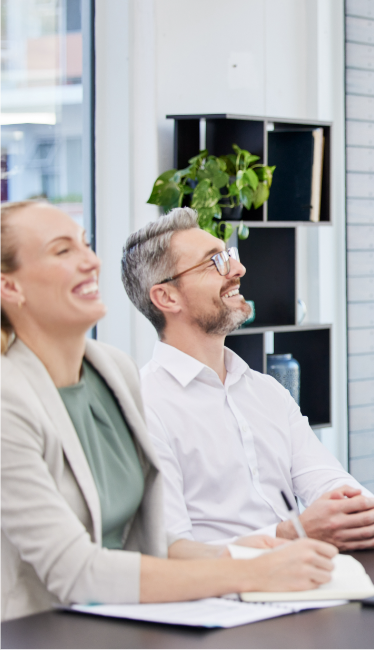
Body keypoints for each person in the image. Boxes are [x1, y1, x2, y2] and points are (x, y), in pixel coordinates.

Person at [0, 201, 337, 622]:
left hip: (128, 616)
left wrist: (258, 549)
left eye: (86, 245)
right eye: (63, 251)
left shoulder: (111, 371)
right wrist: (247, 571)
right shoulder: (8, 400)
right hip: (40, 629)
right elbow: (74, 571)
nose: (90, 261)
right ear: (10, 288)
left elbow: (157, 541)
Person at [121, 208, 374, 549]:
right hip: (222, 595)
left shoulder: (267, 392)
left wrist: (361, 514)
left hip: (308, 576)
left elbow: (328, 481)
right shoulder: (144, 407)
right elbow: (170, 550)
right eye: (214, 262)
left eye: (229, 256)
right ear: (167, 297)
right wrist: (289, 534)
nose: (238, 269)